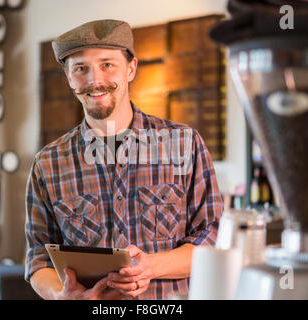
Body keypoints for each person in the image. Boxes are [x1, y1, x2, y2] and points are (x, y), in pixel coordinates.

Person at [25, 19, 224, 300]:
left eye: (107, 65)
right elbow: (38, 256)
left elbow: (213, 238)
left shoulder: (184, 143)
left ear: (131, 68)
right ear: (69, 78)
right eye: (81, 69)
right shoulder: (48, 163)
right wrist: (60, 294)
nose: (95, 81)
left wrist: (150, 267)